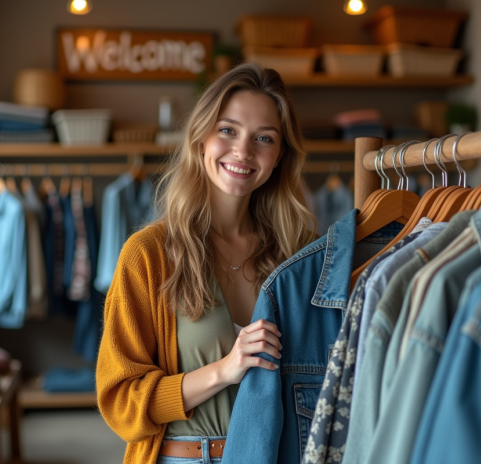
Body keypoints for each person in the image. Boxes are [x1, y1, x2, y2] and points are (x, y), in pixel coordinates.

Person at [96, 63, 317, 464]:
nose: (243, 151)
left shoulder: (296, 253)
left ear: (280, 155)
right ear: (201, 139)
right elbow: (120, 401)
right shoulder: (148, 254)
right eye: (228, 130)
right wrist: (224, 369)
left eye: (263, 138)